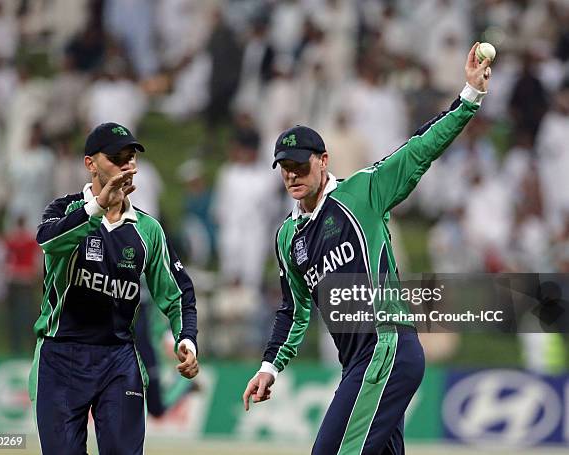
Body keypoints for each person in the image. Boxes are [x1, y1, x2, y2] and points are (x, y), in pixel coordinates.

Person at [243, 43, 492, 454]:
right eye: (285, 169)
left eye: (301, 166)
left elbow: (420, 148)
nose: (292, 176)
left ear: (324, 160)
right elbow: (294, 309)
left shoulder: (363, 192)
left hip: (387, 348)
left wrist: (469, 96)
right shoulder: (288, 236)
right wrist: (270, 365)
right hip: (356, 363)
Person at [29, 122, 199, 454]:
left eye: (131, 158)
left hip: (118, 360)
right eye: (117, 157)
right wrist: (95, 209)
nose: (128, 166)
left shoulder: (148, 229)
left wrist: (187, 338)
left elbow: (178, 294)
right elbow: (48, 242)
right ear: (90, 163)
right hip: (60, 357)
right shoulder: (64, 211)